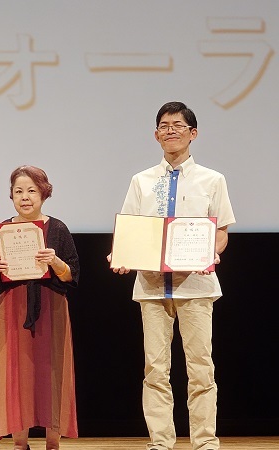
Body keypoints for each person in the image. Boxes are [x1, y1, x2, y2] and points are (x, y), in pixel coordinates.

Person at [109, 101, 235, 450]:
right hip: (151, 286)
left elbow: (221, 230)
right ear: (155, 134)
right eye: (164, 125)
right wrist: (121, 256)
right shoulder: (142, 180)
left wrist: (212, 251)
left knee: (200, 367)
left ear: (193, 134)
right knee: (155, 368)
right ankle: (161, 441)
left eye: (178, 125)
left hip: (196, 285)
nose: (170, 130)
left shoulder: (212, 179)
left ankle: (205, 441)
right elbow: (130, 230)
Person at [0, 166, 79, 450]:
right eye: (19, 191)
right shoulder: (3, 230)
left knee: (53, 370)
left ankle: (52, 443)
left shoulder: (57, 228)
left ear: (44, 193)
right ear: (11, 196)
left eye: (32, 190)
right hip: (13, 305)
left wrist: (56, 262)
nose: (25, 197)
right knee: (15, 371)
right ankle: (19, 443)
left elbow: (72, 274)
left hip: (52, 305)